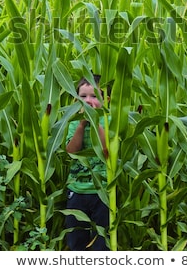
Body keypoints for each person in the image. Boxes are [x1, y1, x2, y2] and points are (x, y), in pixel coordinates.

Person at [65, 74, 109, 251]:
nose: (88, 101)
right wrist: (82, 125)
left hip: (104, 193)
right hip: (77, 191)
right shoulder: (73, 123)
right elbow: (71, 152)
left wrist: (96, 122)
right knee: (76, 240)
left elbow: (107, 152)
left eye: (94, 96)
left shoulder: (111, 121)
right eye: (83, 97)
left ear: (106, 99)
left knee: (102, 243)